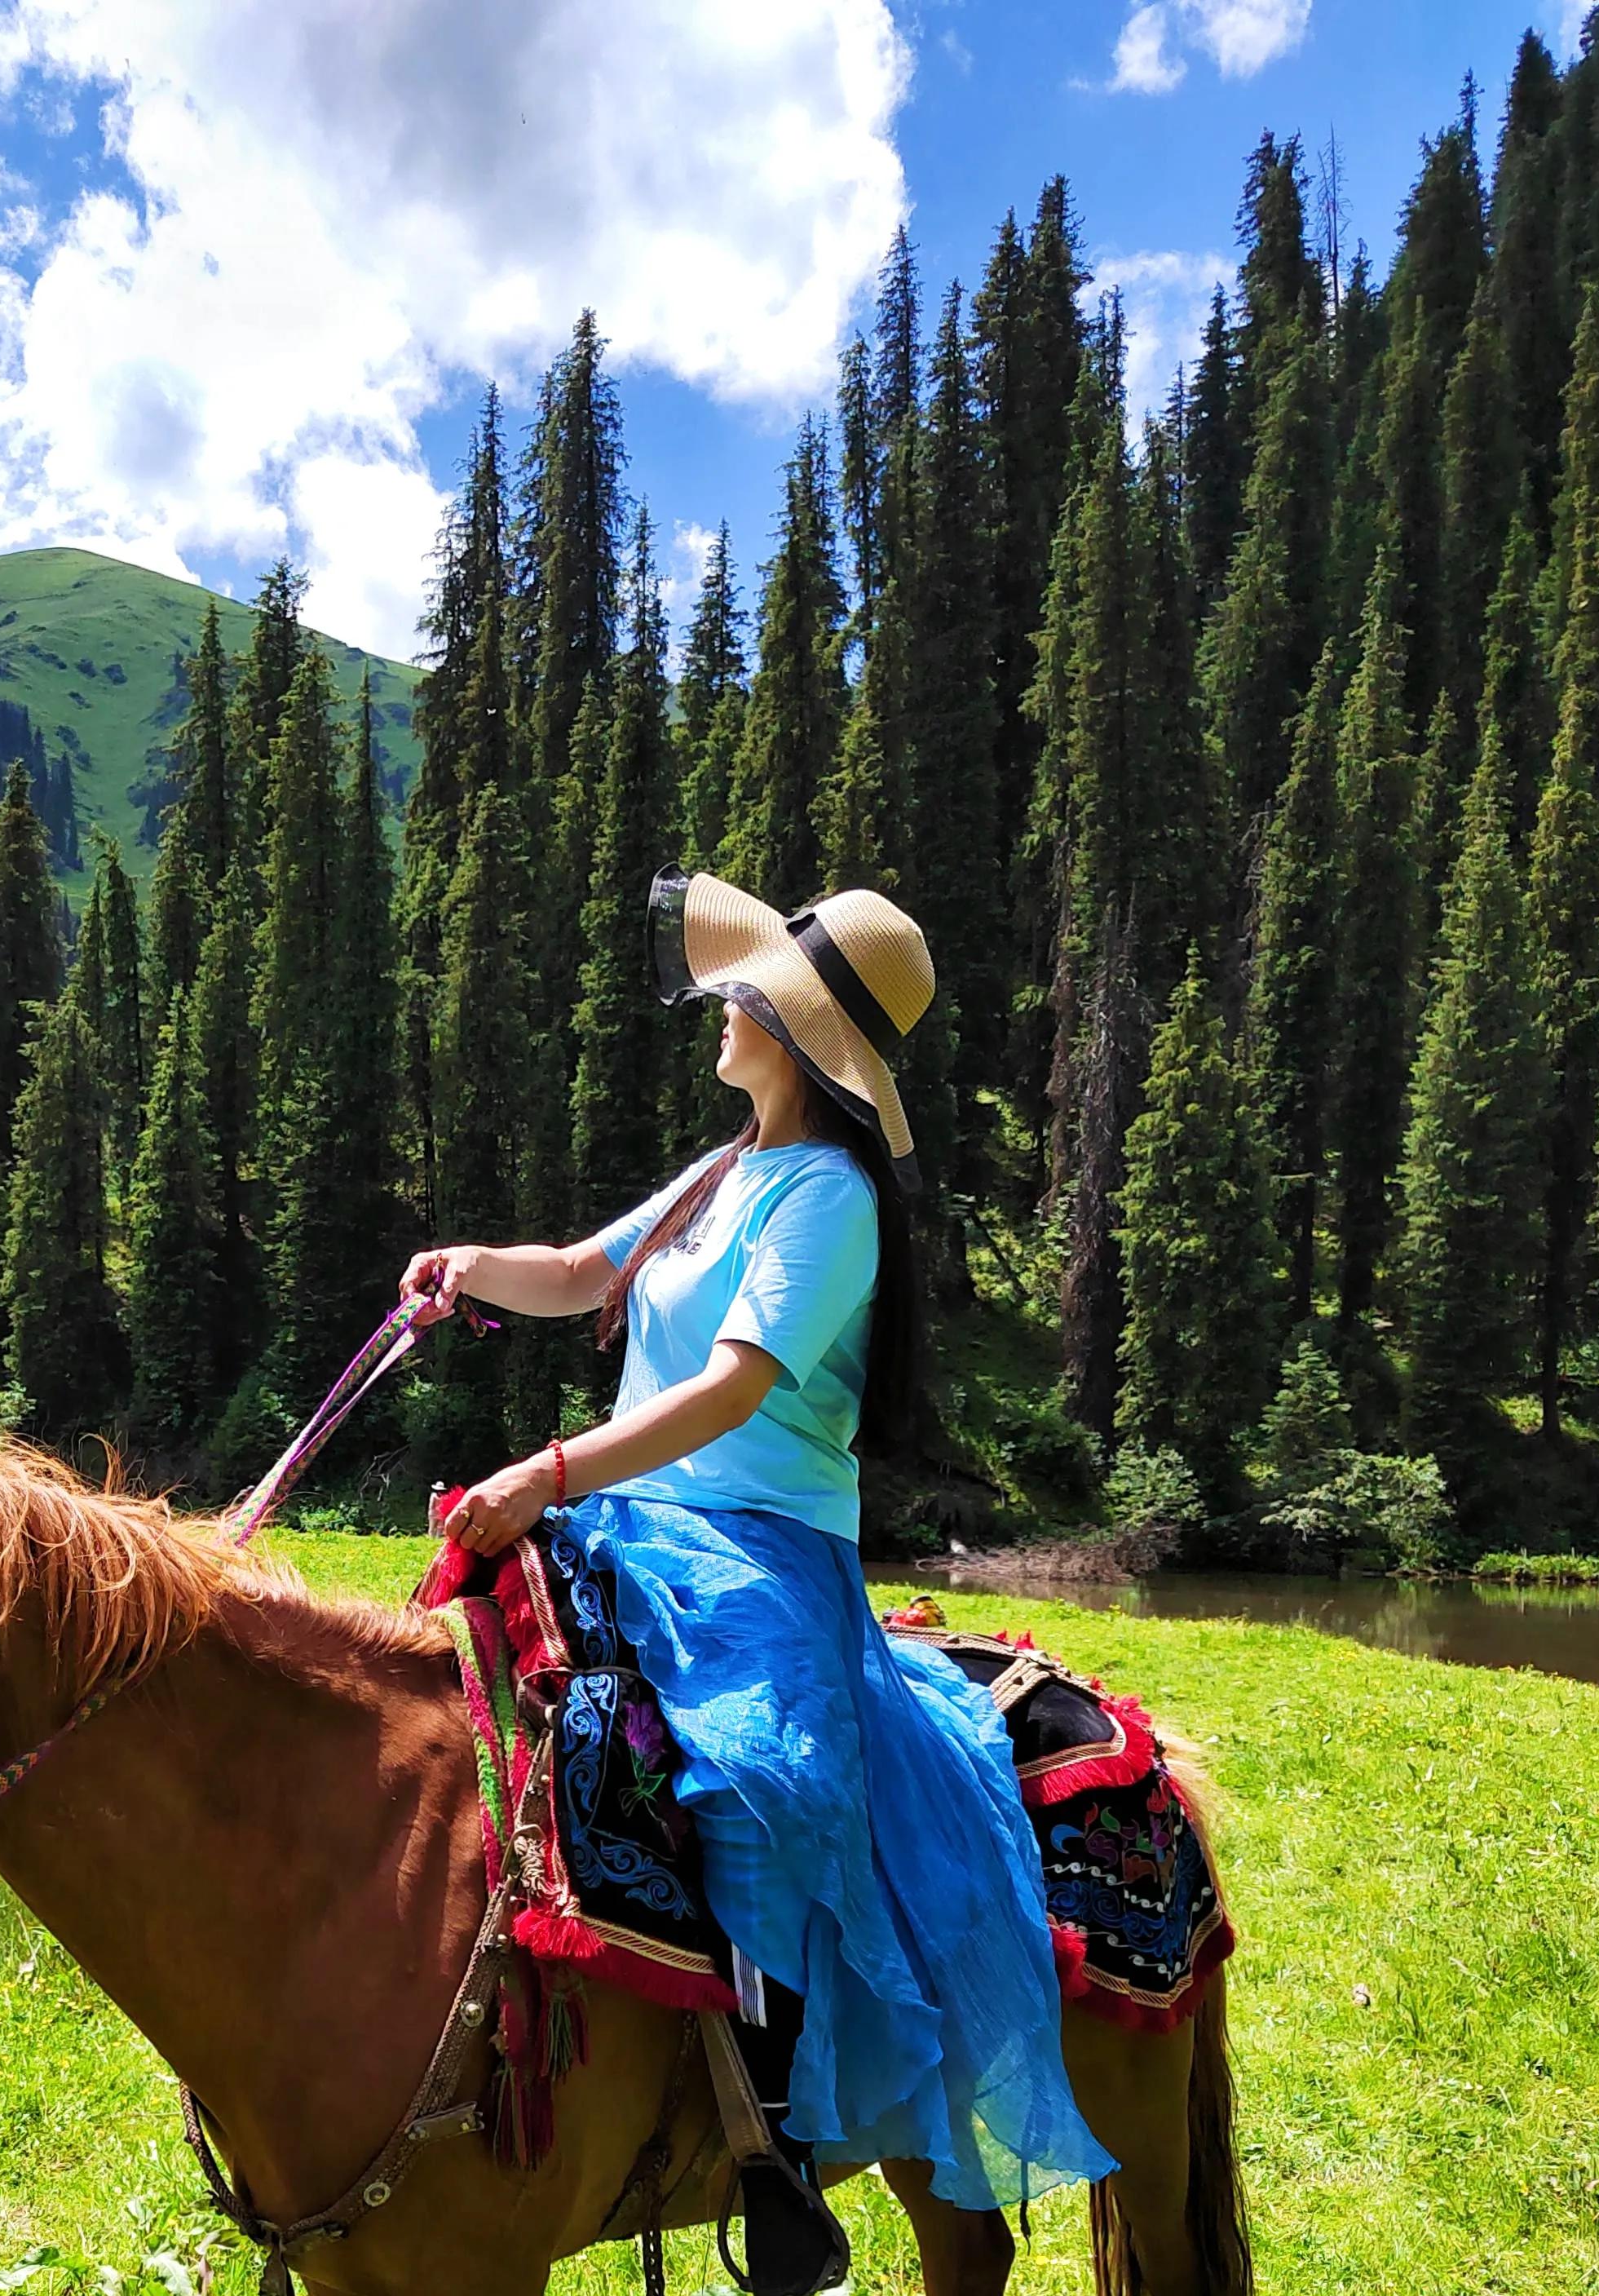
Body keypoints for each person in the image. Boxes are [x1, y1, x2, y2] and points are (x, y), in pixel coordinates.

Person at [402, 870, 1111, 2217]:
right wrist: (467, 1263)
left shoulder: (831, 1201)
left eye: (753, 995)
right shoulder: (728, 1168)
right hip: (632, 1524)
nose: (725, 1007)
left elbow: (732, 1388)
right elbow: (578, 1273)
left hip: (759, 1558)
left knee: (763, 1784)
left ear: (796, 1032)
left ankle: (773, 2134)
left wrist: (547, 1471)